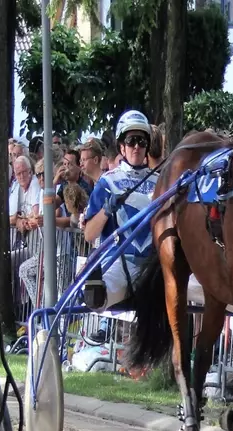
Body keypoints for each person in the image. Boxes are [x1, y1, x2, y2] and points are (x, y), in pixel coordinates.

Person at [82, 110, 157, 310]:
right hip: (121, 261)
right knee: (96, 297)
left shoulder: (160, 182)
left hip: (155, 265)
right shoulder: (108, 182)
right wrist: (106, 210)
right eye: (131, 141)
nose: (137, 147)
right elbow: (89, 234)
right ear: (121, 146)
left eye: (142, 141)